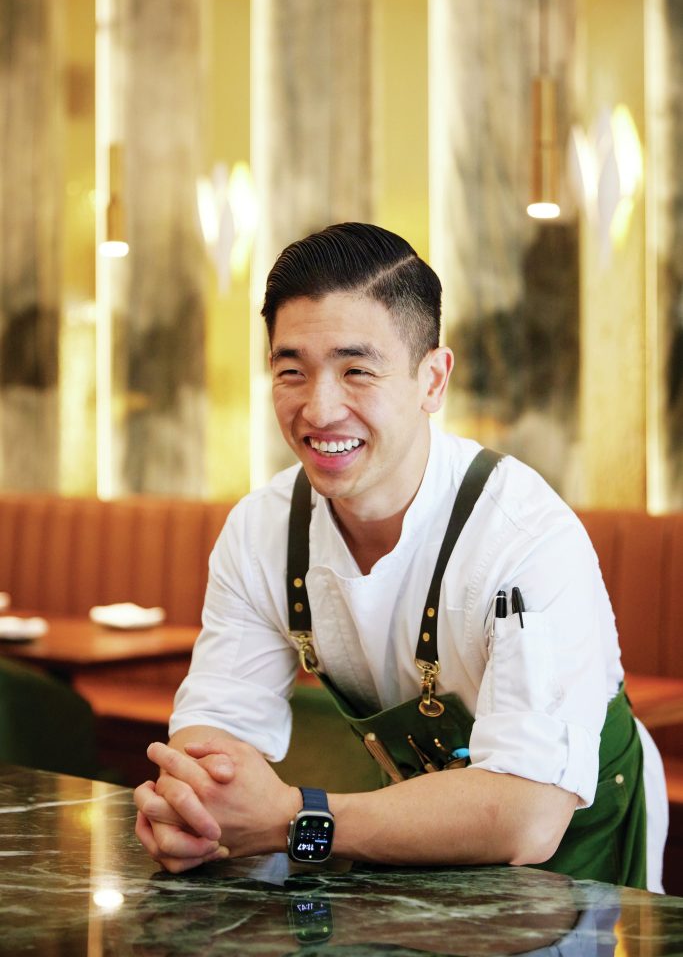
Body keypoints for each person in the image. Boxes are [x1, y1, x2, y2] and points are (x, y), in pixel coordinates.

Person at [134, 222, 667, 891]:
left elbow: (528, 816)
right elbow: (214, 735)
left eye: (356, 370)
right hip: (414, 832)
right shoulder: (262, 531)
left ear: (432, 380)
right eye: (290, 370)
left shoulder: (523, 534)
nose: (319, 407)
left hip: (577, 847)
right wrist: (192, 808)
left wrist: (293, 819)